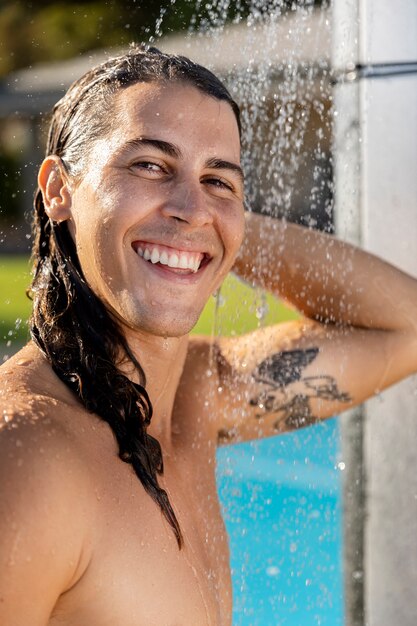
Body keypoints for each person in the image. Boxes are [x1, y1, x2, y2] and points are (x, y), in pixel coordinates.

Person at [0, 45, 416, 626]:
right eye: (149, 165)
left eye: (220, 179)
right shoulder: (29, 458)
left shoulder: (199, 397)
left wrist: (214, 228)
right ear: (58, 189)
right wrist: (196, 222)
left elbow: (408, 323)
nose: (192, 205)